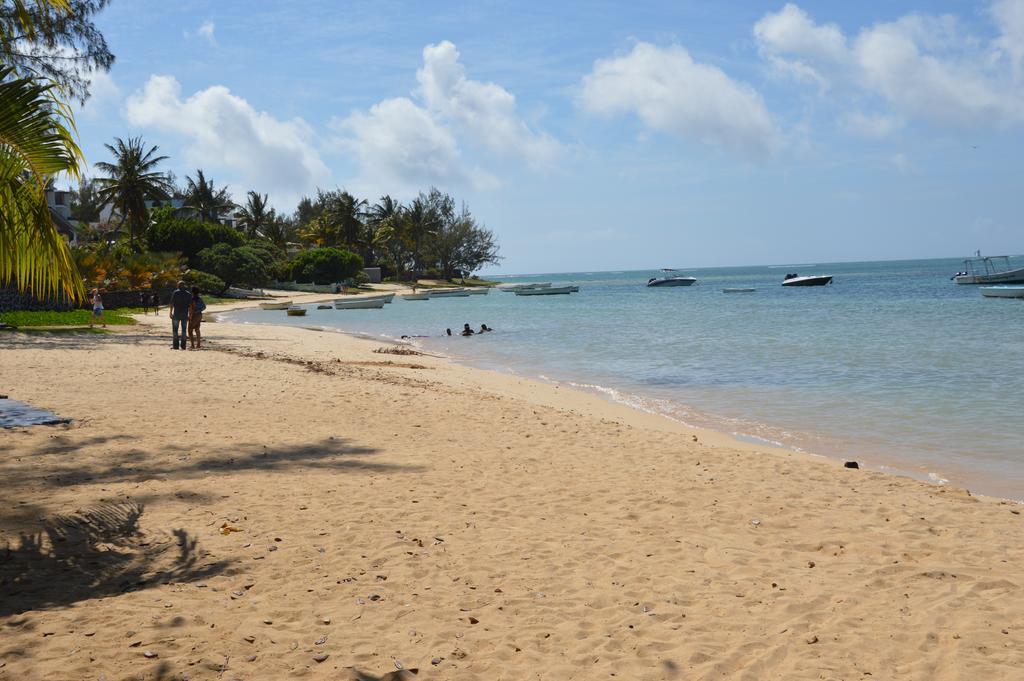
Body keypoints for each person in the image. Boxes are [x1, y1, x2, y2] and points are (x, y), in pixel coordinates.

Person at [169, 281, 192, 350]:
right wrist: (190, 314)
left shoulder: (176, 292)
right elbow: (190, 306)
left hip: (176, 313)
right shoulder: (188, 294)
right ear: (184, 286)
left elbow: (172, 303)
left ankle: (175, 346)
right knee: (184, 330)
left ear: (178, 285)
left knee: (175, 330)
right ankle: (183, 346)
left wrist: (170, 312)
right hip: (184, 314)